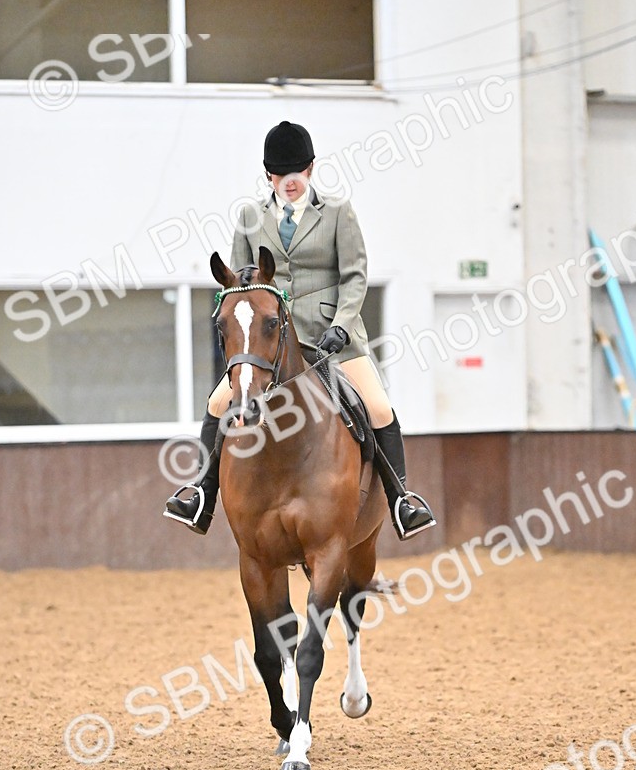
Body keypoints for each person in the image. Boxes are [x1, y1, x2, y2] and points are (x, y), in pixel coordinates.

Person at [165, 120, 436, 540]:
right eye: (279, 175)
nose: (288, 182)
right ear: (268, 175)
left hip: (332, 339)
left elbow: (355, 277)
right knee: (218, 403)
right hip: (269, 342)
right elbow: (240, 285)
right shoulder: (250, 216)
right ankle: (201, 493)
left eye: (295, 173)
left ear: (309, 169)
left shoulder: (338, 212)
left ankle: (402, 499)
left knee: (379, 408)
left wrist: (342, 326)